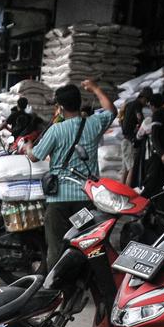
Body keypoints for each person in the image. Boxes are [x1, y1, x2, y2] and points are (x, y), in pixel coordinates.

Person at [27, 79, 116, 269]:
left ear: (59, 107)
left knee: (57, 245)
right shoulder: (94, 123)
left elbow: (34, 157)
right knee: (86, 242)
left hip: (59, 203)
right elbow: (111, 111)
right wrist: (95, 88)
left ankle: (58, 289)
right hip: (84, 201)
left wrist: (27, 147)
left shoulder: (56, 130)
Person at [121, 87, 153, 187]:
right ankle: (128, 192)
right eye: (146, 100)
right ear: (143, 98)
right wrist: (143, 125)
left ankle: (121, 190)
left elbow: (120, 120)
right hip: (130, 140)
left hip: (125, 139)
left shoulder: (129, 104)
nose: (146, 103)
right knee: (132, 168)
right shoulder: (137, 105)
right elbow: (140, 119)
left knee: (125, 168)